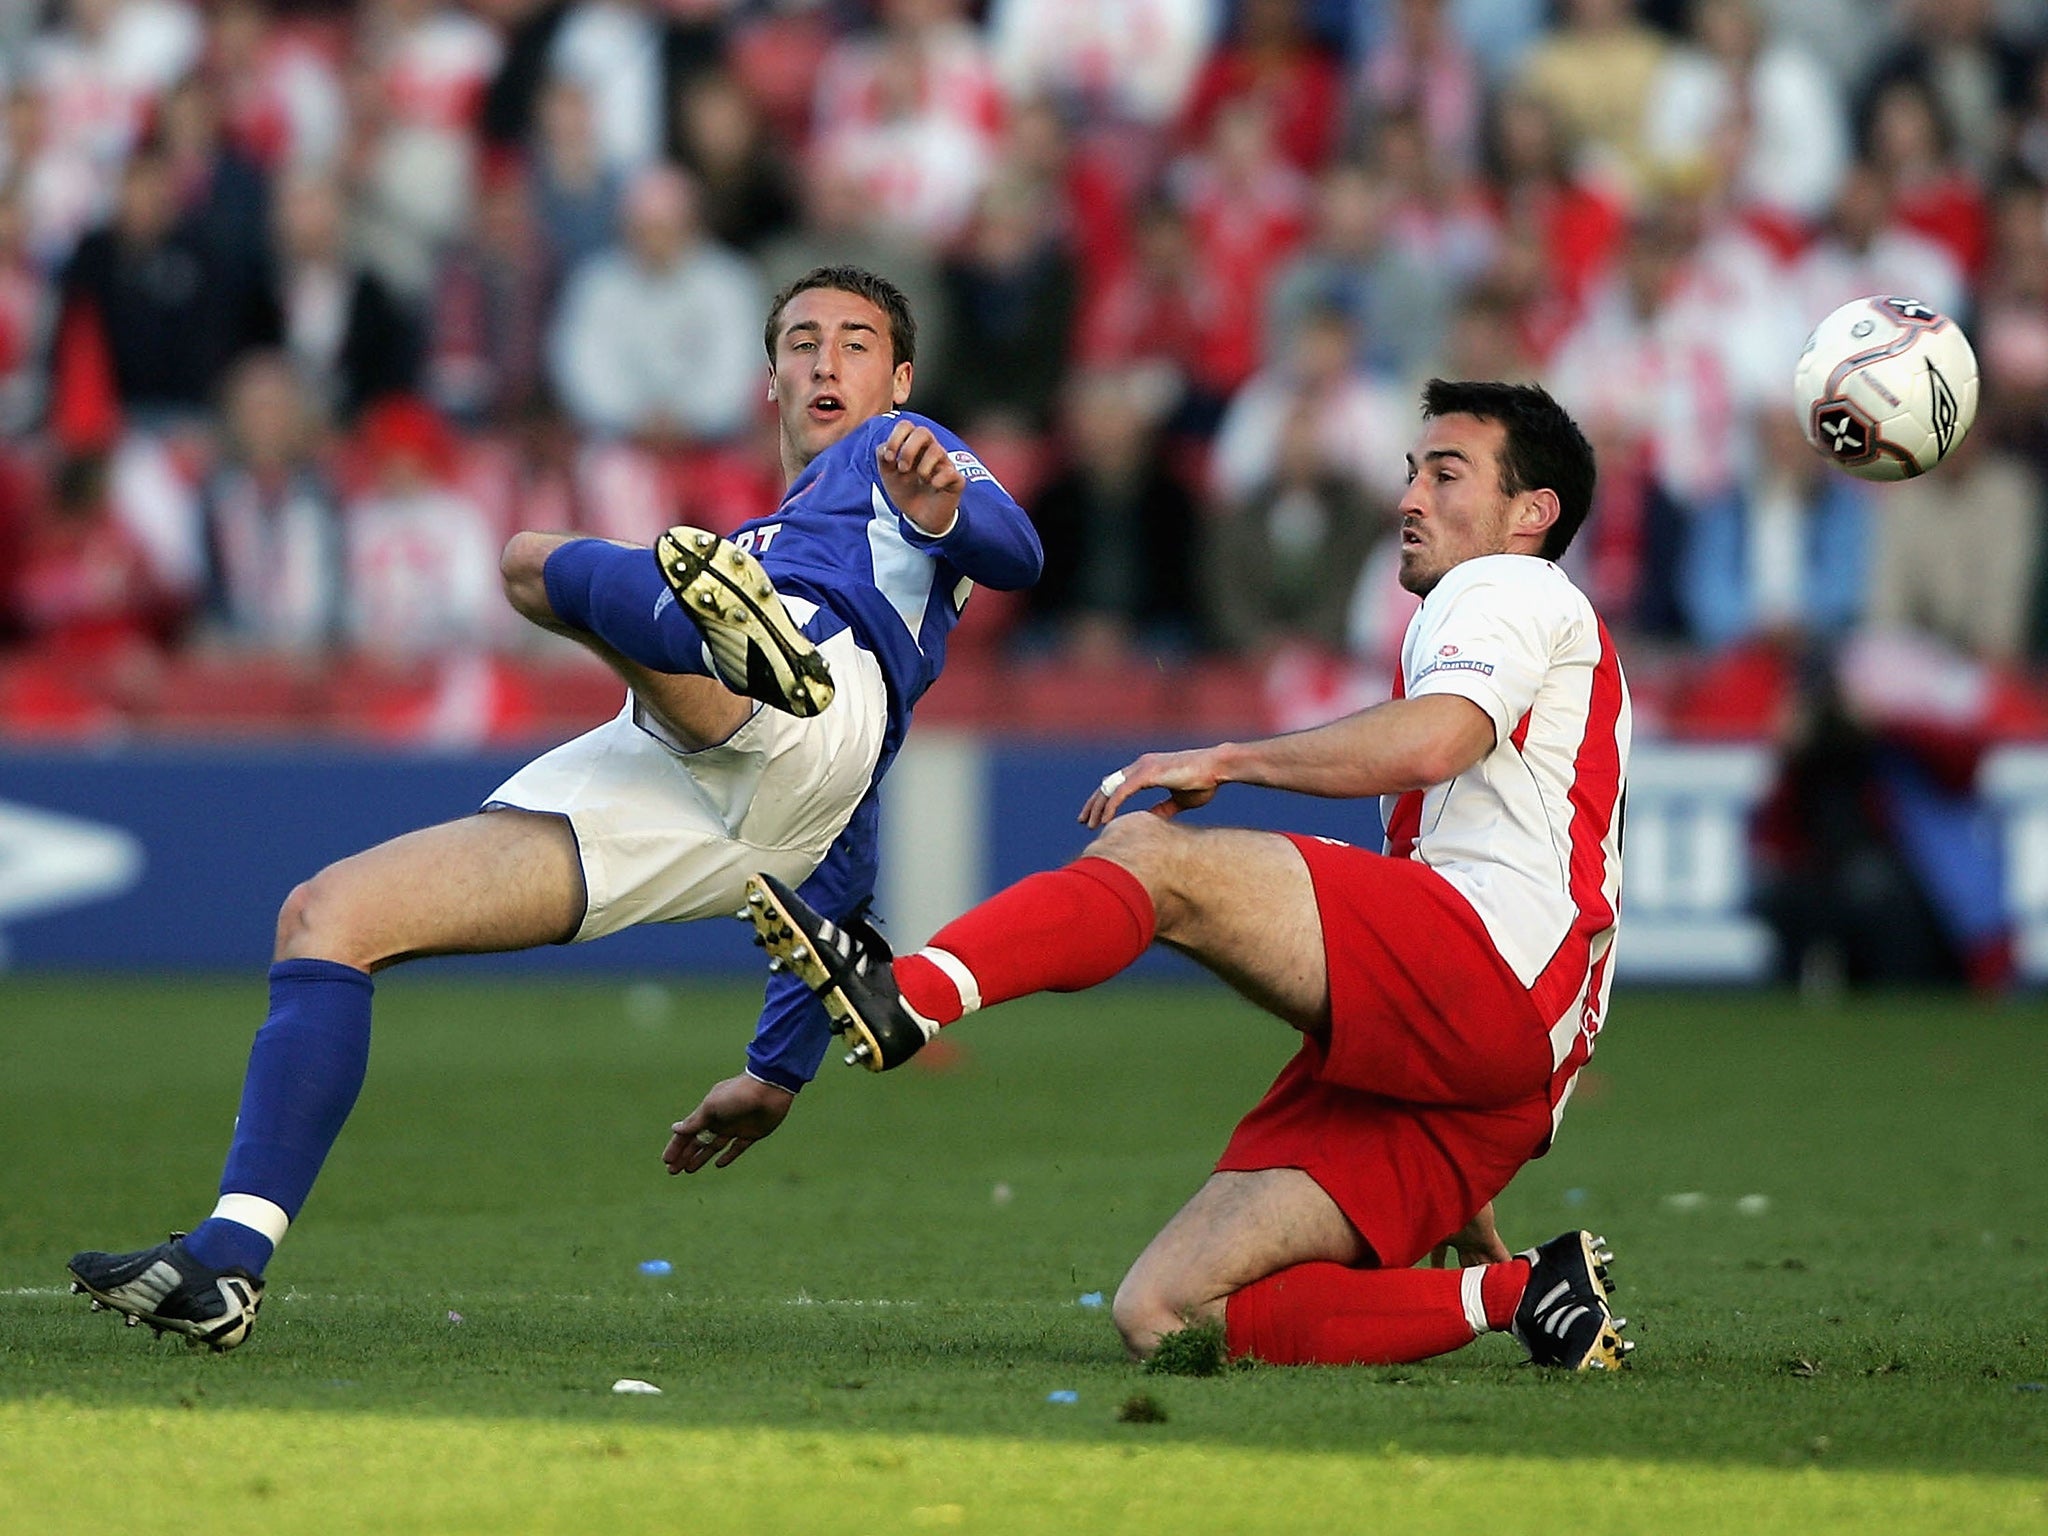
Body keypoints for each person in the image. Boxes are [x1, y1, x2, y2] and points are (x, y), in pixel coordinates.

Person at [67, 265, 1044, 1350]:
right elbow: (829, 848)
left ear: (898, 378)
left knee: (531, 561)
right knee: (327, 916)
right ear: (769, 379)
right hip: (724, 788)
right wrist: (775, 1072)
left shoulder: (894, 458)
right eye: (802, 340)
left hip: (802, 700)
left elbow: (1017, 549)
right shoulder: (776, 529)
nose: (826, 359)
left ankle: (723, 646)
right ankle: (224, 1264)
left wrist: (949, 499)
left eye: (857, 343)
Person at [745, 379, 1636, 1373]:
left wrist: (1225, 758)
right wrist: (1467, 1204)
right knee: (1166, 1310)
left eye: (1444, 472)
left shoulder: (1507, 586)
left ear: (1532, 514)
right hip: (1494, 1057)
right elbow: (1422, 937)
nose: (1408, 498)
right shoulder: (1514, 617)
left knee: (1151, 858)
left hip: (1491, 970)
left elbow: (1435, 742)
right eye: (1409, 472)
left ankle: (905, 995)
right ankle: (1522, 1294)